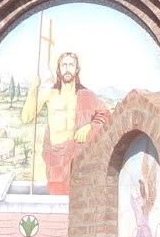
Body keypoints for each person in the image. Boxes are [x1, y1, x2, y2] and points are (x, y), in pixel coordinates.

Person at [19, 51, 110, 195]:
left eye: (71, 65)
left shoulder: (86, 95)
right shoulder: (50, 94)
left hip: (78, 155)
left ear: (77, 69)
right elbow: (26, 117)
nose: (67, 69)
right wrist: (32, 91)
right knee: (57, 195)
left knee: (79, 196)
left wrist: (90, 127)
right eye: (64, 65)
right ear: (59, 69)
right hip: (55, 156)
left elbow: (105, 115)